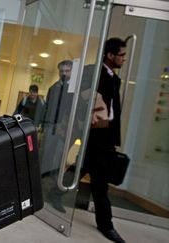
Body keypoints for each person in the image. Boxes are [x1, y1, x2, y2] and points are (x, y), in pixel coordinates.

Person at [82, 37, 127, 243]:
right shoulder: (94, 72)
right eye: (121, 55)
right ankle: (106, 225)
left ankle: (53, 190)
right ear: (110, 55)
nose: (124, 59)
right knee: (100, 182)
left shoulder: (114, 78)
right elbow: (83, 97)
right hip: (95, 135)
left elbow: (113, 111)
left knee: (83, 167)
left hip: (105, 136)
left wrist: (114, 138)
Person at [38, 60, 75, 214]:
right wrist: (43, 125)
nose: (64, 73)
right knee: (46, 155)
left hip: (64, 130)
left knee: (60, 159)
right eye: (62, 71)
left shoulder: (74, 90)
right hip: (50, 127)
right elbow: (47, 107)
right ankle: (40, 189)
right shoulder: (53, 88)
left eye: (67, 71)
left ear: (72, 72)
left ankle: (54, 191)